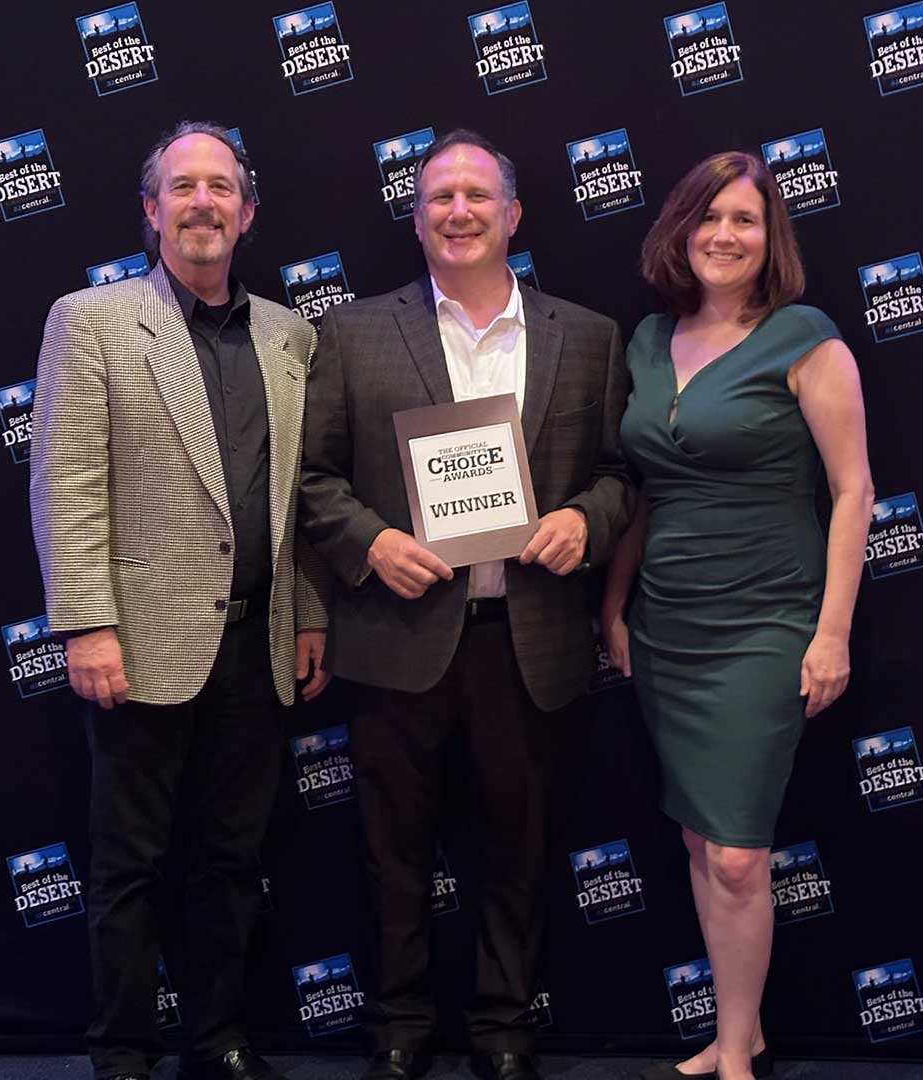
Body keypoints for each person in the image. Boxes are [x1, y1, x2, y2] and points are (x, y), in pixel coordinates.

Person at [299, 129, 632, 1080]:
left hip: (528, 638)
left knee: (520, 848)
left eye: (478, 196)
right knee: (390, 847)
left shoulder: (589, 336)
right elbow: (314, 476)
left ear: (513, 215)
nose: (458, 212)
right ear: (415, 216)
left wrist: (583, 519)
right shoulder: (354, 333)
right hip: (398, 634)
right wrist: (370, 543)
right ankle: (399, 1025)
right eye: (439, 196)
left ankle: (503, 1029)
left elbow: (620, 477)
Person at [29, 120, 330, 1080]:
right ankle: (121, 1051)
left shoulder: (291, 333)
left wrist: (311, 613)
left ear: (247, 210)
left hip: (258, 645)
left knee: (232, 862)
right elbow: (65, 482)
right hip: (139, 640)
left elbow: (300, 492)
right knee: (128, 868)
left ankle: (221, 1037)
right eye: (183, 186)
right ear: (152, 210)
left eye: (221, 186)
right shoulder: (92, 319)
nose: (204, 202)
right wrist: (85, 621)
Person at [601, 151, 873, 1080]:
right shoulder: (646, 342)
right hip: (668, 620)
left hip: (768, 620)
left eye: (746, 220)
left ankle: (736, 1062)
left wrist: (831, 630)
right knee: (696, 834)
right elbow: (640, 496)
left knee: (737, 855)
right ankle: (736, 1028)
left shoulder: (806, 338)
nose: (724, 234)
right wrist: (613, 605)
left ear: (771, 239)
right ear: (679, 230)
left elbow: (853, 491)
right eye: (707, 217)